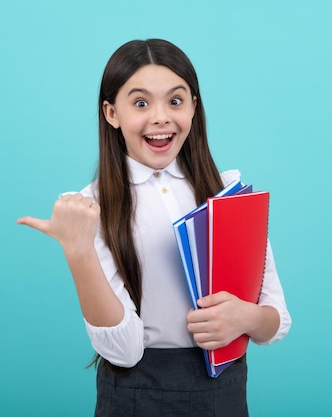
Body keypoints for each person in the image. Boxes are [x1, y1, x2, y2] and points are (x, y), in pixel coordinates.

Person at [17, 39, 291, 416]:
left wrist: (245, 317)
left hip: (222, 392)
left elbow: (276, 318)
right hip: (133, 396)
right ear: (111, 113)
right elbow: (124, 351)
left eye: (175, 101)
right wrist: (79, 253)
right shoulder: (93, 207)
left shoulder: (227, 195)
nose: (161, 117)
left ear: (194, 106)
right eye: (141, 103)